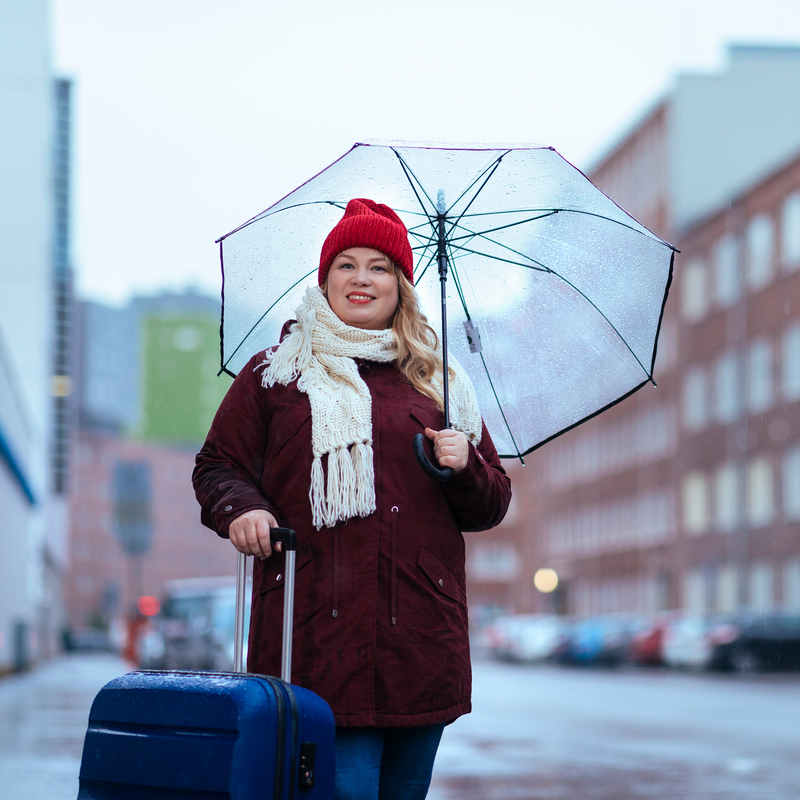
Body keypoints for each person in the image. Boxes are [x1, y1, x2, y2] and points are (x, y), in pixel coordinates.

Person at [193, 198, 511, 800]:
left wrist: (465, 466)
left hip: (420, 637)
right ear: (326, 278)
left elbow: (490, 505)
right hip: (312, 630)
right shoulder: (275, 374)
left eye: (378, 267)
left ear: (401, 285)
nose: (361, 279)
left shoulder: (440, 384)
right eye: (346, 264)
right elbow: (218, 466)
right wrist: (245, 509)